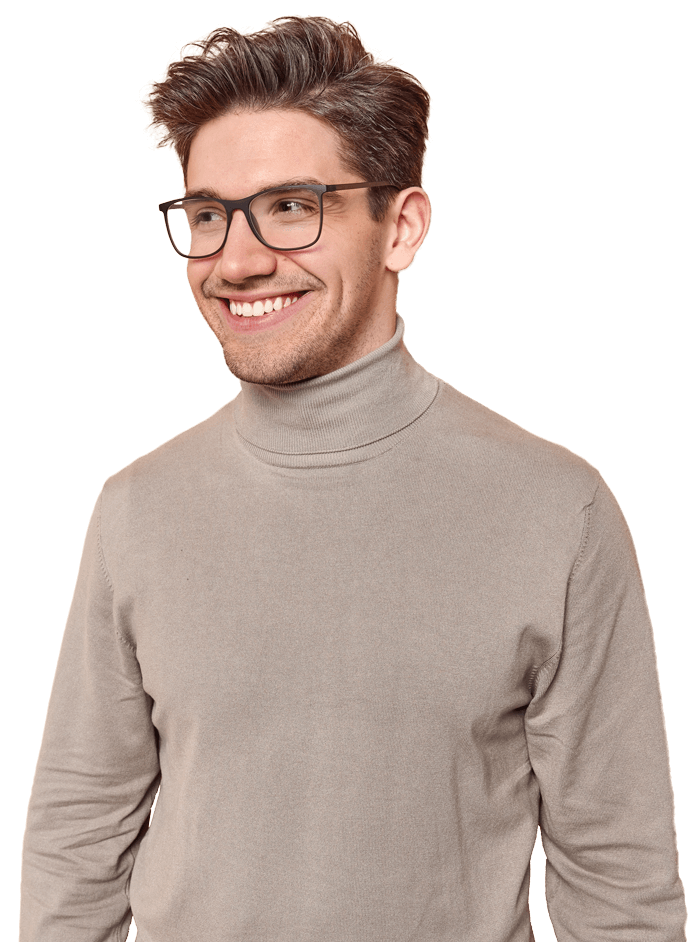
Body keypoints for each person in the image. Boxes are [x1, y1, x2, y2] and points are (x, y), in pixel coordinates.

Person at [20, 15, 686, 942]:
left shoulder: (557, 509)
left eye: (292, 207)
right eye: (207, 215)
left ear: (401, 228)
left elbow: (618, 881)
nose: (236, 260)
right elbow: (79, 836)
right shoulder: (137, 506)